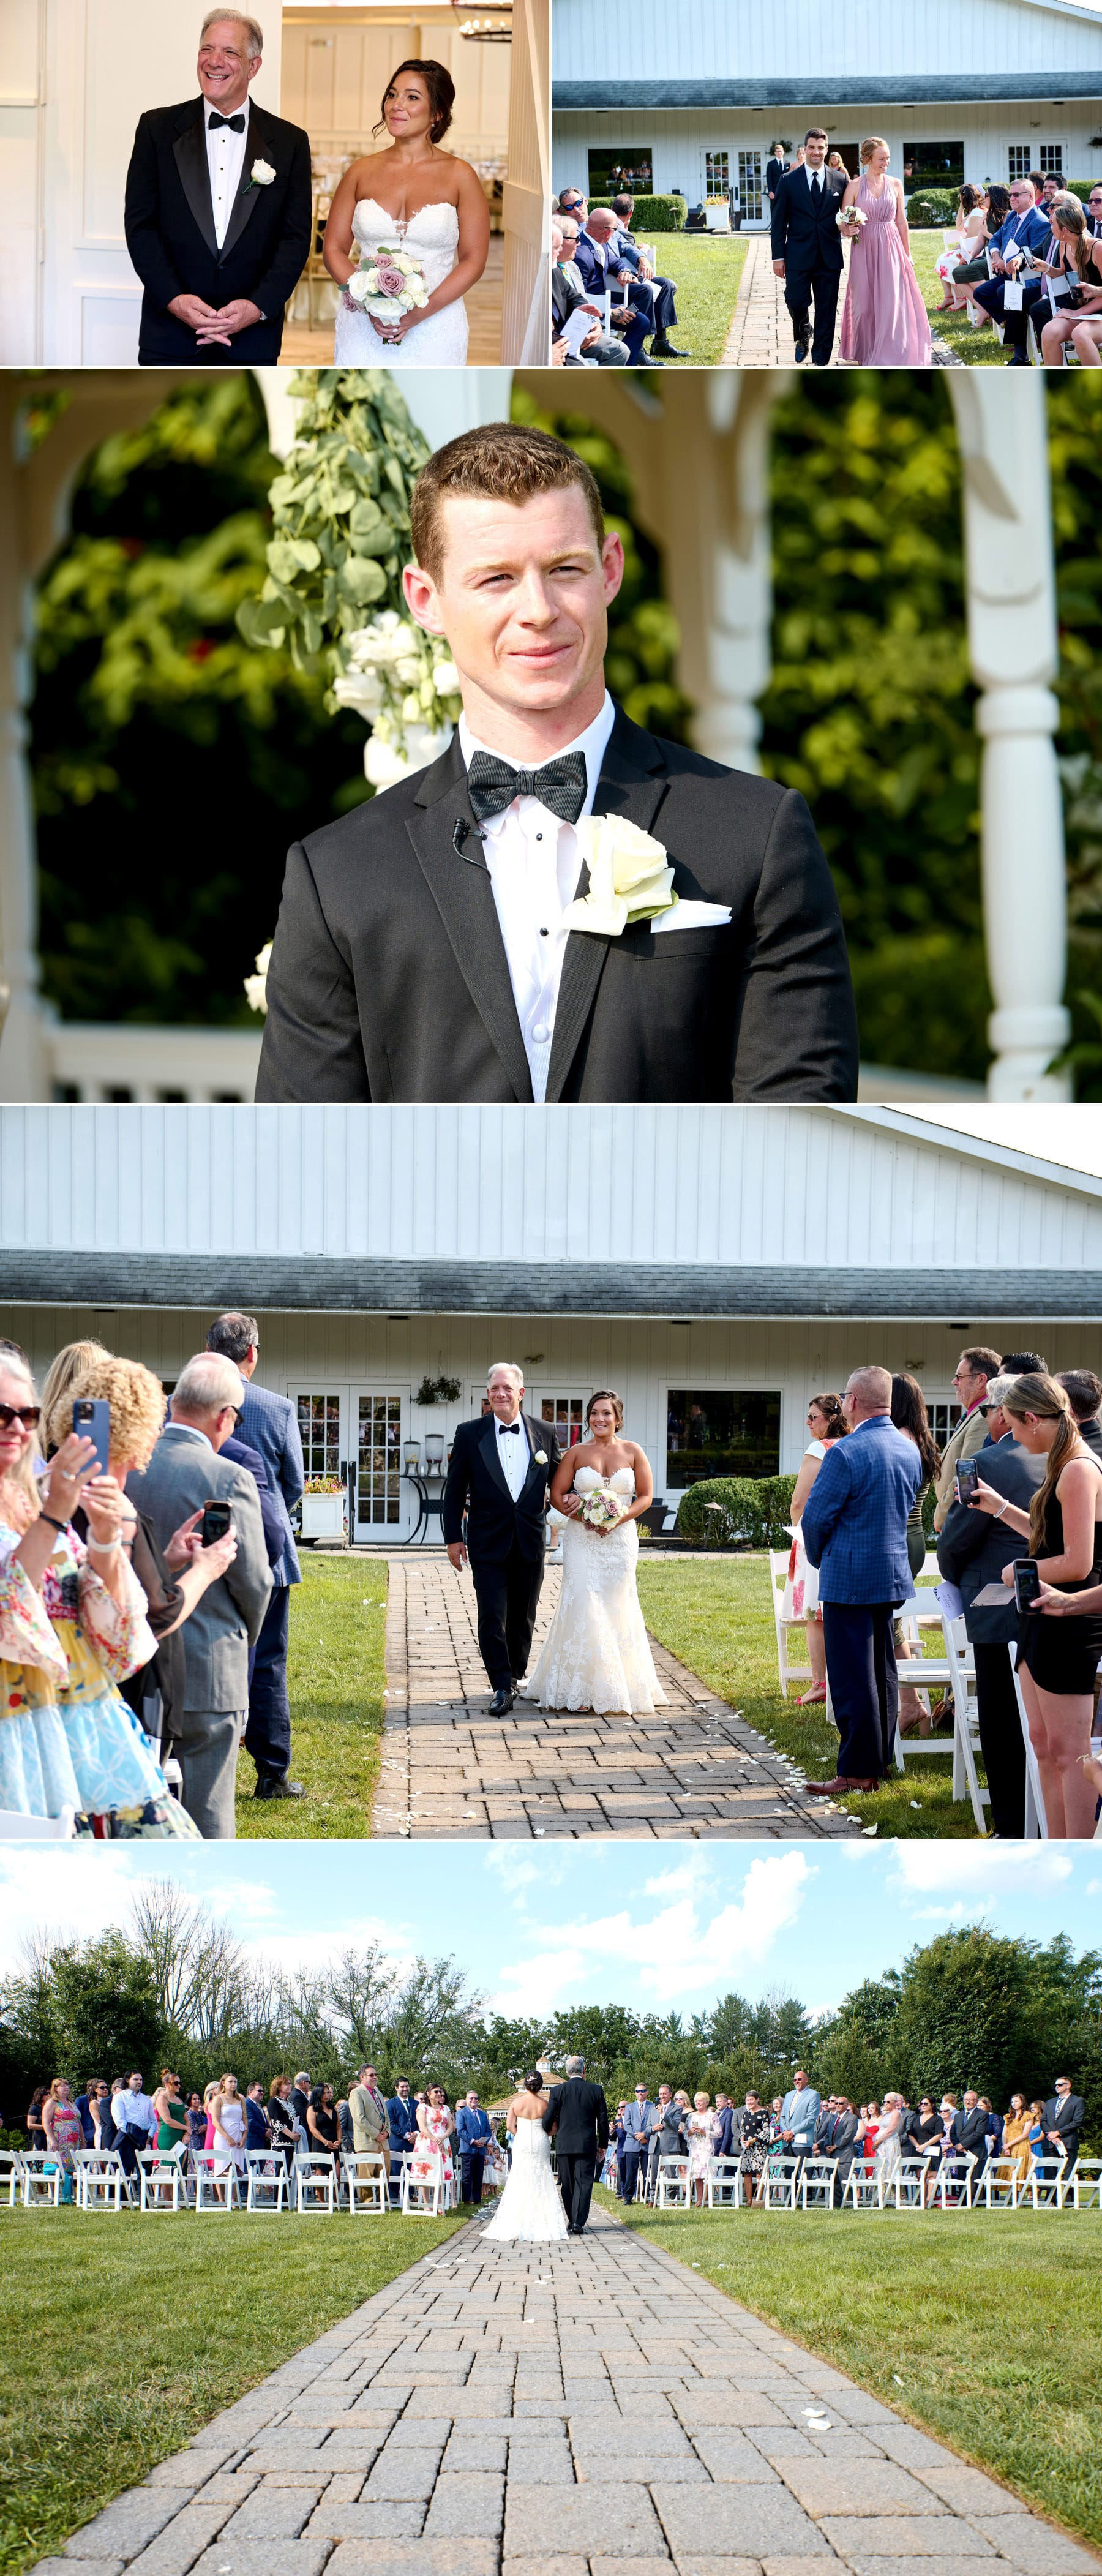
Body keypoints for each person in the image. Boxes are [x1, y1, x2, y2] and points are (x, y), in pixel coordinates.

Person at [256, 424, 860, 1108]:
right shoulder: (336, 875)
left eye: (564, 569)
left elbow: (799, 1136)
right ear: (426, 600)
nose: (538, 611)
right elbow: (303, 1165)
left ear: (610, 568)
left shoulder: (756, 834)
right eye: (496, 579)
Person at [0, 1353, 197, 1836]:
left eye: (27, 1415)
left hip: (91, 1727)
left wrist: (107, 1538)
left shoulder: (30, 1494)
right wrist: (56, 1514)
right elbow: (9, 1608)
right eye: (1, 1414)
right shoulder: (47, 1501)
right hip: (19, 1729)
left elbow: (109, 1635)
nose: (18, 1428)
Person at [47, 1351, 240, 1766]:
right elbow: (155, 1613)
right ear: (135, 1429)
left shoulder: (60, 1491)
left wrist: (167, 1559)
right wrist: (206, 1569)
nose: (158, 1431)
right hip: (128, 1698)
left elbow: (105, 1586)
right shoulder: (112, 1506)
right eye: (154, 1420)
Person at [128, 1353, 272, 1838]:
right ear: (224, 1416)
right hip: (210, 1667)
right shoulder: (229, 1477)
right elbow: (253, 1580)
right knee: (209, 1810)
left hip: (139, 1662)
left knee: (144, 1811)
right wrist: (245, 1639)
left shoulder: (128, 1466)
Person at [123, 10, 311, 366]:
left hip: (252, 340)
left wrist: (258, 308)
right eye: (207, 49)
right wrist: (175, 300)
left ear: (254, 67)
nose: (214, 61)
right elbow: (140, 226)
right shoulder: (156, 129)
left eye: (230, 52)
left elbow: (295, 238)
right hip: (170, 336)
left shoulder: (290, 142)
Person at [971, 1372, 1102, 1836]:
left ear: (1032, 1418)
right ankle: (1052, 1843)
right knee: (1043, 1744)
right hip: (1040, 1619)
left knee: (1071, 1753)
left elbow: (1079, 1562)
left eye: (1012, 1425)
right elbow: (1051, 1540)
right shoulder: (1060, 1463)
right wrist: (1002, 1507)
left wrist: (1021, 1571)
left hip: (1070, 1623)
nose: (1009, 1435)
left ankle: (1076, 1851)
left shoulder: (1080, 1469)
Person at [802, 1366, 922, 1795]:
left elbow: (815, 1519)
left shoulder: (845, 1452)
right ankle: (880, 1761)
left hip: (849, 1575)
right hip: (889, 1573)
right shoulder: (910, 1449)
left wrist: (821, 1559)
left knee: (853, 1678)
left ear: (853, 1401)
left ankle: (856, 1770)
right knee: (882, 1671)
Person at [324, 59, 487, 367]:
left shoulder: (460, 176)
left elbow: (474, 261)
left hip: (436, 321)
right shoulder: (360, 172)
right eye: (392, 95)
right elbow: (333, 249)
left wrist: (418, 315)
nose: (396, 106)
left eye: (412, 97)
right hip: (362, 323)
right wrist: (369, 305)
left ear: (437, 114)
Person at [937, 1372, 1044, 1837]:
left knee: (1001, 1720)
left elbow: (956, 1541)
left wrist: (952, 1570)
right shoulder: (1065, 1459)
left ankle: (1010, 1824)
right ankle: (1044, 1817)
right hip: (1050, 1601)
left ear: (1003, 1411)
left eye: (987, 1410)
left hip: (996, 1606)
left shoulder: (987, 1461)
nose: (986, 1418)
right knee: (1043, 1722)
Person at [207, 1314, 305, 1802]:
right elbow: (294, 1485)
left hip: (199, 1548)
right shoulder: (278, 1407)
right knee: (268, 1660)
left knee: (203, 1650)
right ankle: (271, 1773)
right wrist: (259, 1520)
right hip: (267, 1554)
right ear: (252, 1353)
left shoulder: (177, 1405)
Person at [521, 1389, 665, 1716]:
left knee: (617, 1605)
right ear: (588, 1419)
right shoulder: (575, 1452)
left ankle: (618, 1686)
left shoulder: (633, 1451)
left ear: (618, 1419)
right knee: (584, 1602)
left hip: (620, 1543)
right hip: (582, 1540)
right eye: (595, 1413)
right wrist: (583, 1515)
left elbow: (645, 1496)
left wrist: (617, 1519)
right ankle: (581, 1687)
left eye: (607, 1414)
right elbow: (557, 1495)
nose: (600, 1419)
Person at [443, 1364, 561, 1715]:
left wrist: (588, 1506)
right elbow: (454, 1492)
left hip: (529, 1539)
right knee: (492, 1615)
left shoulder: (546, 1432)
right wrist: (453, 1538)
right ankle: (500, 1683)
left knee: (524, 1615)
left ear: (520, 1393)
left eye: (507, 1388)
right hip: (486, 1540)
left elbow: (559, 1483)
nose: (500, 1394)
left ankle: (514, 1676)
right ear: (488, 1394)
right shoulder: (469, 1433)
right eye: (494, 1388)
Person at [838, 138, 931, 364]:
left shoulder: (897, 184)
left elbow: (901, 222)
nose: (886, 162)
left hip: (891, 248)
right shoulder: (855, 186)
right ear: (868, 159)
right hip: (864, 249)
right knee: (864, 304)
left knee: (892, 301)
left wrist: (907, 255)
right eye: (881, 158)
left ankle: (892, 353)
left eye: (888, 158)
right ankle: (866, 352)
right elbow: (843, 220)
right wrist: (848, 229)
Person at [782, 1392, 849, 1705]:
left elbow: (799, 1501)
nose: (808, 1422)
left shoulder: (819, 1448)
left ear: (832, 1418)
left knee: (815, 1614)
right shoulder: (851, 1446)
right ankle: (843, 1678)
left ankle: (820, 1683)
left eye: (813, 1417)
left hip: (816, 1537)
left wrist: (799, 1531)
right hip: (846, 1538)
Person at [890, 1373, 940, 1737]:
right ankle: (910, 1704)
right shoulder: (923, 1441)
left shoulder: (899, 1441)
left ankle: (910, 1704)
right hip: (916, 1537)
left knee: (888, 1623)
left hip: (897, 1539)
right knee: (892, 1620)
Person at [770, 129, 848, 365]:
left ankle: (820, 361)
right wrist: (778, 257)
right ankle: (803, 332)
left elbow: (846, 215)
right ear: (805, 149)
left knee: (826, 312)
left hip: (829, 257)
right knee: (794, 300)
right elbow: (778, 222)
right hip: (797, 255)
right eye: (812, 147)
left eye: (821, 148)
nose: (816, 152)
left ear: (827, 149)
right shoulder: (788, 181)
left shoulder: (841, 180)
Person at [972, 178, 1054, 359]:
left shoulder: (1039, 221)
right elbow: (995, 239)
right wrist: (997, 256)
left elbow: (1034, 254)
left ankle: (1020, 355)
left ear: (1031, 197)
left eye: (1017, 195)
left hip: (1029, 278)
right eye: (1011, 195)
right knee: (981, 293)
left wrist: (1007, 261)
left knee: (1007, 293)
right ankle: (1015, 322)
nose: (1012, 198)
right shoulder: (1012, 218)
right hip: (1009, 273)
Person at [481, 2073, 566, 2241]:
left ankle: (518, 2218)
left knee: (520, 2175)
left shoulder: (516, 2103)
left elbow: (509, 2125)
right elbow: (555, 2126)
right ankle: (542, 2220)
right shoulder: (545, 2104)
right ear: (540, 2086)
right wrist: (544, 2134)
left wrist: (521, 2135)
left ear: (525, 2086)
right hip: (541, 2141)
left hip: (522, 2141)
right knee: (541, 2175)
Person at [608, 197, 690, 358]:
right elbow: (623, 256)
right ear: (631, 213)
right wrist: (644, 253)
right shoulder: (618, 230)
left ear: (612, 208)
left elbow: (626, 249)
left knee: (665, 285)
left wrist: (642, 258)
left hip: (626, 279)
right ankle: (638, 347)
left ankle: (661, 342)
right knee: (651, 291)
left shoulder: (615, 230)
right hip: (617, 285)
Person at [933, 1347, 1003, 1531]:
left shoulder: (984, 1418)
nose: (954, 1382)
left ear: (981, 1380)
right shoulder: (975, 1415)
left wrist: (942, 1516)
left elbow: (966, 1475)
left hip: (959, 1522)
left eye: (960, 1376)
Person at [541, 2053, 610, 2236]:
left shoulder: (557, 2091)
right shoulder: (596, 2090)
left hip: (564, 2145)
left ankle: (572, 2220)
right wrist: (603, 2144)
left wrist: (549, 2129)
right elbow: (603, 2121)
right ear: (584, 2070)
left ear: (566, 2072)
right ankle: (578, 2221)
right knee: (584, 2183)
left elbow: (548, 2119)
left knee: (568, 2185)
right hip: (586, 2145)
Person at [1038, 195, 1102, 365]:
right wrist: (1047, 269)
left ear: (1064, 230)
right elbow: (1065, 273)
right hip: (1081, 307)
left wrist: (1077, 313)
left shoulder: (1098, 248)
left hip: (1098, 309)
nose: (1050, 228)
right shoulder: (1064, 244)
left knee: (1080, 334)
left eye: (1053, 224)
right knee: (1049, 331)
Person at [409, 2083, 455, 2203]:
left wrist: (443, 2137)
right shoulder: (422, 2107)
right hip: (427, 2142)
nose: (439, 2094)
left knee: (440, 2172)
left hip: (443, 2141)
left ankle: (439, 2203)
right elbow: (422, 2127)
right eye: (436, 2092)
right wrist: (435, 2140)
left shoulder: (446, 2109)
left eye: (440, 2092)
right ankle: (426, 2203)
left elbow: (450, 2127)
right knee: (426, 2172)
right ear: (428, 2094)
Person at [112, 2070, 158, 2183]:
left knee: (145, 2172)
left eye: (141, 2080)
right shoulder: (120, 2097)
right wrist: (136, 2135)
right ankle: (124, 2200)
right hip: (128, 2136)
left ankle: (145, 2200)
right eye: (136, 2079)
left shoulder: (146, 2099)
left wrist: (150, 2136)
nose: (139, 2082)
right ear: (127, 2080)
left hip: (145, 2138)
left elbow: (153, 2120)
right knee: (125, 2171)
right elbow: (120, 2122)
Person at [348, 2065, 390, 2181]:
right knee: (366, 2180)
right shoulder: (357, 2093)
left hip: (384, 2143)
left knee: (384, 2179)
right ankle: (367, 2201)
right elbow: (359, 2118)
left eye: (376, 2074)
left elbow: (385, 2115)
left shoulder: (379, 2093)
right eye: (371, 2075)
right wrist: (376, 2135)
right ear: (362, 2077)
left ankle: (384, 2200)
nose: (375, 2077)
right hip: (367, 2143)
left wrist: (386, 2132)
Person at [779, 2068, 820, 2178]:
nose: (797, 2082)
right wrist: (786, 2132)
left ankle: (805, 2196)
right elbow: (783, 2116)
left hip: (802, 2143)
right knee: (789, 2176)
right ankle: (791, 2196)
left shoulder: (813, 2095)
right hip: (788, 2142)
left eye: (799, 2079)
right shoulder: (789, 2095)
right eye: (794, 2080)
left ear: (806, 2080)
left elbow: (811, 2119)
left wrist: (792, 2132)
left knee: (803, 2176)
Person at [42, 2079, 84, 2185]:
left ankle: (68, 2193)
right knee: (57, 2167)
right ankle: (56, 2194)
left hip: (73, 2143)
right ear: (56, 2088)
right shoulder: (52, 2103)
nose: (67, 2087)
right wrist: (52, 2140)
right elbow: (46, 2122)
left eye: (67, 2085)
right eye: (63, 2086)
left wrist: (83, 2138)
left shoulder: (71, 2103)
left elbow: (77, 2121)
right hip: (59, 2141)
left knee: (71, 2167)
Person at [1043, 2075, 1085, 2180]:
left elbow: (1077, 2121)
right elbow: (1043, 2120)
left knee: (1068, 2173)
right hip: (1050, 2143)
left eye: (1060, 2085)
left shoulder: (1077, 2101)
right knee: (1050, 2174)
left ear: (1068, 2086)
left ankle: (1069, 2197)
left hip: (1067, 2141)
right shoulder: (1050, 2102)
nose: (1057, 2087)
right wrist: (1051, 2135)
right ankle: (1051, 2197)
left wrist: (1058, 2133)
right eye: (1056, 2085)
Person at [456, 2090, 494, 2206]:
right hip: (468, 2149)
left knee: (478, 2176)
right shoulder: (461, 2113)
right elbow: (460, 2131)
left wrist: (484, 2142)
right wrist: (473, 2141)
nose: (474, 2100)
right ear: (467, 2099)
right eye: (471, 2098)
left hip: (480, 2149)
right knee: (468, 2176)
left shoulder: (482, 2114)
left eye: (476, 2098)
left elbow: (488, 2130)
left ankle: (477, 2199)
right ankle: (467, 2200)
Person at [211, 2073, 247, 2194]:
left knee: (235, 2166)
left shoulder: (240, 2099)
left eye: (235, 2082)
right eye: (230, 2082)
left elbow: (245, 2119)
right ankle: (222, 2199)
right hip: (223, 2136)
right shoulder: (219, 2099)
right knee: (222, 2166)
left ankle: (234, 2199)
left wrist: (244, 2137)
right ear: (223, 2083)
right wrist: (227, 2137)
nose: (233, 2084)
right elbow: (215, 2120)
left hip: (238, 2134)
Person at [620, 2082, 654, 2204]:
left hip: (647, 2144)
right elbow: (627, 2125)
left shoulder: (652, 2106)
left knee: (647, 2173)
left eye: (643, 2091)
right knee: (631, 2172)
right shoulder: (629, 2107)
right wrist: (639, 2136)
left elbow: (653, 2124)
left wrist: (645, 2134)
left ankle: (647, 2197)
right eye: (638, 2091)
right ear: (635, 2093)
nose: (640, 2093)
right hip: (632, 2144)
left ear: (647, 2092)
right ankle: (628, 2197)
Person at [736, 2092, 770, 2205]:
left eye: (752, 2100)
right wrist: (743, 2139)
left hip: (759, 2147)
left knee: (759, 2173)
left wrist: (753, 2140)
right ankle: (749, 2200)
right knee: (747, 2174)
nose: (750, 2102)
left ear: (757, 2100)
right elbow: (741, 2129)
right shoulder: (746, 2114)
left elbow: (766, 2130)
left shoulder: (764, 2113)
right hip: (747, 2148)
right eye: (748, 2100)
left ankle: (758, 2200)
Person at [306, 2081, 341, 2181]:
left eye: (328, 2093)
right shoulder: (312, 2109)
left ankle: (334, 2197)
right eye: (324, 2093)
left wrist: (339, 2140)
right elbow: (312, 2128)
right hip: (320, 2144)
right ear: (318, 2094)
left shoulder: (333, 2108)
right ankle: (321, 2198)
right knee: (320, 2175)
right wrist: (326, 2142)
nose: (327, 2095)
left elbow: (338, 2126)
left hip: (334, 2144)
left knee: (337, 2176)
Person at [686, 2091, 713, 2207]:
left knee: (706, 2175)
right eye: (696, 2101)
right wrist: (690, 2132)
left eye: (700, 2101)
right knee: (697, 2175)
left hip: (706, 2148)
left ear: (706, 2103)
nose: (698, 2103)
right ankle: (699, 2200)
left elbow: (719, 2132)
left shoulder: (712, 2116)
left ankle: (705, 2201)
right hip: (695, 2148)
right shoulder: (691, 2116)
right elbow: (685, 2133)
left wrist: (705, 2132)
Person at [267, 2078, 297, 2179]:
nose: (290, 2086)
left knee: (289, 2174)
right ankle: (278, 2196)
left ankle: (288, 2196)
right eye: (287, 2084)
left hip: (292, 2143)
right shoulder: (273, 2102)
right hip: (280, 2142)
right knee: (281, 2173)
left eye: (290, 2084)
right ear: (279, 2086)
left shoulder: (290, 2103)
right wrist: (292, 2135)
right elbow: (277, 2123)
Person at [153, 2070, 188, 2157]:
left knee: (182, 2168)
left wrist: (187, 2133)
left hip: (182, 2136)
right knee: (171, 2166)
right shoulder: (162, 2099)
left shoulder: (179, 2100)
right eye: (176, 2083)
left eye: (180, 2083)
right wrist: (186, 2128)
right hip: (169, 2135)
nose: (179, 2085)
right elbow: (167, 2120)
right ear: (166, 2084)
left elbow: (186, 2118)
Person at [244, 2081, 271, 2157]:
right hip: (253, 2142)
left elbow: (264, 2121)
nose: (262, 2093)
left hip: (261, 2142)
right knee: (252, 2167)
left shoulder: (258, 2105)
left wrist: (269, 2128)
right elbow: (251, 2122)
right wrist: (265, 2132)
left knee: (260, 2167)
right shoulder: (247, 2104)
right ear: (251, 2092)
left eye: (263, 2091)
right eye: (259, 2091)